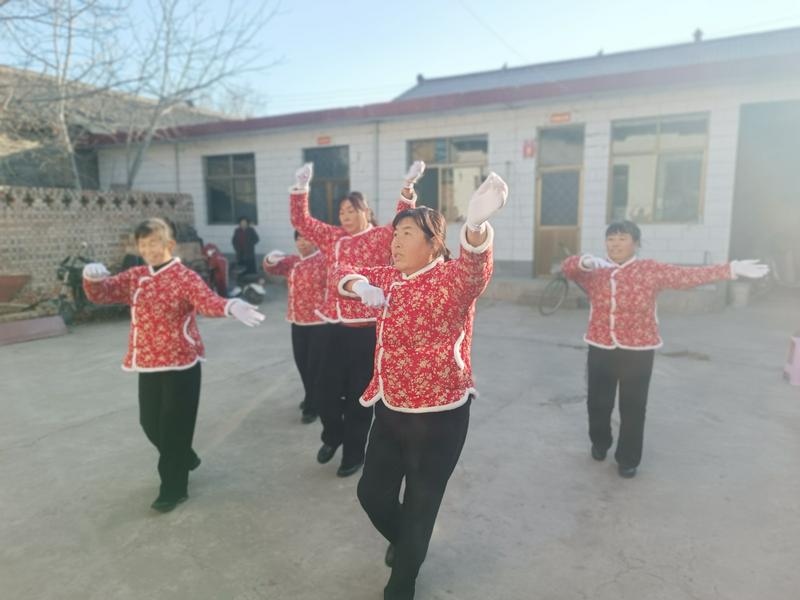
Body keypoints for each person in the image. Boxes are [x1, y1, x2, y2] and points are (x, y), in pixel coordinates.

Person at [337, 173, 508, 600]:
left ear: (433, 244)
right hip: (391, 407)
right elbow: (346, 273)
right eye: (395, 233)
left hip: (440, 415)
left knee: (421, 502)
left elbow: (476, 270)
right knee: (371, 493)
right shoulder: (390, 278)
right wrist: (361, 285)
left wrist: (476, 228)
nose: (395, 243)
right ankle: (408, 543)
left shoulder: (452, 279)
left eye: (407, 234)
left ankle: (404, 577)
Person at [82, 218, 264, 512]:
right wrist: (92, 279)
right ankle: (184, 456)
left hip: (181, 363)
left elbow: (206, 301)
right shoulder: (136, 276)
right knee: (150, 422)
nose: (149, 249)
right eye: (143, 244)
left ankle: (173, 488)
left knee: (174, 428)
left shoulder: (185, 277)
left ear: (169, 244)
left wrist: (230, 306)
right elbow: (103, 293)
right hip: (149, 362)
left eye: (154, 242)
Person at [562, 220, 769, 478]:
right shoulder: (596, 271)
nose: (615, 244)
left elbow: (686, 276)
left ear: (636, 243)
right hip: (601, 346)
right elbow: (568, 268)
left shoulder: (650, 269)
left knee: (634, 407)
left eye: (622, 238)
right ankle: (600, 442)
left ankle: (628, 459)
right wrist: (584, 262)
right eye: (611, 239)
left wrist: (730, 269)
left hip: (638, 351)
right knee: (598, 403)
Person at [289, 161, 424, 477]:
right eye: (342, 212)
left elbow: (405, 221)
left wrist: (407, 189)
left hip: (366, 331)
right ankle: (332, 435)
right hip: (332, 327)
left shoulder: (381, 237)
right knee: (323, 392)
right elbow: (301, 220)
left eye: (352, 210)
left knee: (358, 398)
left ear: (366, 211)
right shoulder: (332, 238)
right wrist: (300, 188)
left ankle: (353, 454)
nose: (346, 217)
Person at [262, 231, 327, 424]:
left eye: (306, 238)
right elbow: (271, 268)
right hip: (297, 320)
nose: (302, 242)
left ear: (315, 240)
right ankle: (310, 396)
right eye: (298, 239)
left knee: (314, 366)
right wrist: (269, 258)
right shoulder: (293, 261)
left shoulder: (324, 260)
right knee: (302, 363)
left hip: (319, 322)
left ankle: (312, 406)